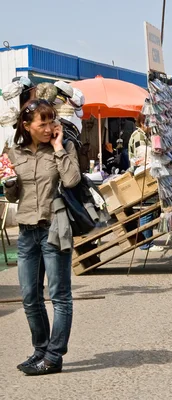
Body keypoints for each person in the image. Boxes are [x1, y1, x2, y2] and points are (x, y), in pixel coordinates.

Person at [5, 99, 80, 375]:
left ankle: (54, 356)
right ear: (27, 126)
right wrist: (9, 186)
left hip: (54, 229)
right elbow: (14, 196)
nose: (49, 128)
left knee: (60, 296)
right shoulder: (14, 153)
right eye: (43, 123)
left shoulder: (64, 146)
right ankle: (40, 348)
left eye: (52, 122)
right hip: (26, 232)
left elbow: (71, 180)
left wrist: (59, 147)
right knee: (29, 296)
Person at [128, 114, 163, 252]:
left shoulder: (145, 135)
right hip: (141, 175)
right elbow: (142, 155)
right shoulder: (138, 135)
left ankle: (147, 241)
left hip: (146, 174)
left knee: (149, 208)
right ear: (143, 122)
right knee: (146, 209)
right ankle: (145, 243)